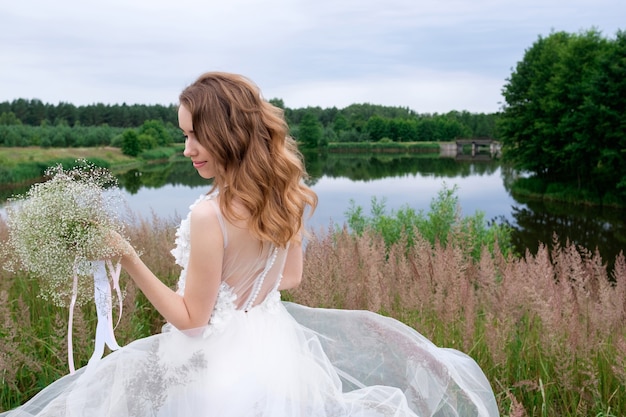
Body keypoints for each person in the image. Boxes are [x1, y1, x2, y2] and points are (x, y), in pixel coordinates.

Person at [1, 72, 499, 416]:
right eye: (184, 135)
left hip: (217, 372)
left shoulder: (209, 214)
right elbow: (291, 278)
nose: (186, 148)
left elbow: (193, 321)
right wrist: (244, 301)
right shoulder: (285, 193)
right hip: (276, 355)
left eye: (195, 135)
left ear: (228, 133)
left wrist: (127, 256)